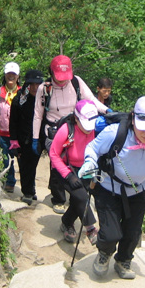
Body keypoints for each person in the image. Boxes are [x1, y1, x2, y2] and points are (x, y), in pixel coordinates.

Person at [80, 95, 145, 280]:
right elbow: (92, 148)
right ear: (133, 119)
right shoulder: (115, 133)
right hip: (109, 187)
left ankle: (123, 260)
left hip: (142, 189)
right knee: (110, 234)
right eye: (142, 127)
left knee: (133, 232)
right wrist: (90, 162)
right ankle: (104, 253)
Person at [32, 54, 108, 214]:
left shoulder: (76, 82)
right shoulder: (44, 88)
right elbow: (38, 114)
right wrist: (35, 138)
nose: (62, 81)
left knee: (76, 160)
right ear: (51, 73)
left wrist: (107, 111)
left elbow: (91, 100)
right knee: (56, 163)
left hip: (75, 128)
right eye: (59, 78)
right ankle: (58, 198)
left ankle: (78, 195)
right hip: (53, 130)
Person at [49, 99, 100, 245]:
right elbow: (54, 154)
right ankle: (90, 229)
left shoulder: (95, 129)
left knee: (78, 199)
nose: (89, 129)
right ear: (76, 119)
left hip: (85, 169)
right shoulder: (66, 129)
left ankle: (66, 222)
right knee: (82, 197)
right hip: (65, 169)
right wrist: (68, 175)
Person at [9, 69, 45, 206]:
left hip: (37, 138)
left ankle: (31, 189)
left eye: (38, 85)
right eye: (32, 84)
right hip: (22, 139)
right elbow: (13, 121)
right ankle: (27, 192)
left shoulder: (43, 99)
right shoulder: (19, 99)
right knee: (24, 165)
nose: (35, 88)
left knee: (33, 165)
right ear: (27, 84)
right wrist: (14, 140)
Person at [0, 62, 20, 193]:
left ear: (18, 76)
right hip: (3, 132)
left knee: (21, 159)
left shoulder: (22, 92)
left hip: (19, 134)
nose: (11, 76)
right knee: (6, 158)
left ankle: (28, 187)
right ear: (5, 75)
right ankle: (9, 181)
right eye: (9, 74)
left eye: (13, 74)